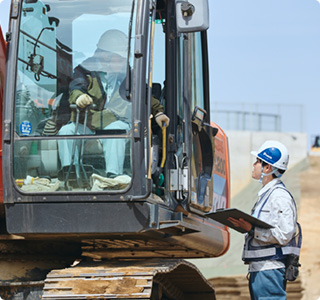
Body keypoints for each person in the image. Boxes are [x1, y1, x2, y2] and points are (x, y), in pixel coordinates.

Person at [57, 29, 169, 178]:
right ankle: (71, 175)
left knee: (115, 131)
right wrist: (79, 97)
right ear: (105, 56)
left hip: (117, 120)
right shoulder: (84, 72)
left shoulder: (129, 75)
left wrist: (158, 112)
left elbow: (145, 93)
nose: (124, 61)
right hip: (89, 123)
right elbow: (76, 87)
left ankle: (112, 176)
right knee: (66, 132)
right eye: (119, 58)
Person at [228, 140, 299, 300]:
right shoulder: (267, 195)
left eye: (258, 161)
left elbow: (284, 235)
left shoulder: (279, 196)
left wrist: (252, 229)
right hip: (261, 268)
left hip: (270, 269)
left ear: (268, 167)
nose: (254, 165)